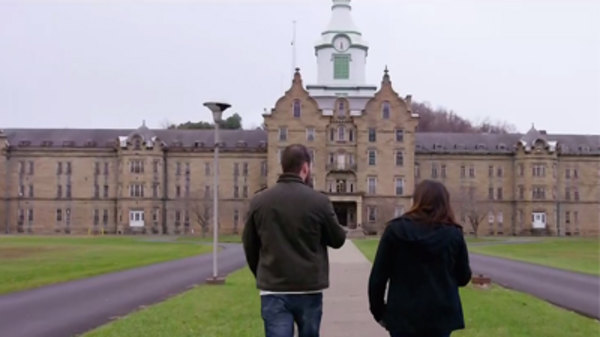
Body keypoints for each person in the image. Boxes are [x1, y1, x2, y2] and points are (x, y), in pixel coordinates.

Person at [243, 144, 347, 337]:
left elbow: (250, 245)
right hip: (308, 288)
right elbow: (338, 239)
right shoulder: (319, 201)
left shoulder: (259, 201)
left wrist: (263, 273)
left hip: (274, 289)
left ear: (283, 166)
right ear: (305, 168)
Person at [368, 180, 472, 337]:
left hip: (403, 315)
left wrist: (379, 312)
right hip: (440, 315)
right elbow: (463, 277)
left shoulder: (395, 230)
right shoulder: (453, 234)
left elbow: (378, 279)